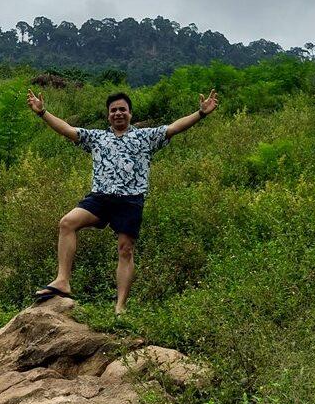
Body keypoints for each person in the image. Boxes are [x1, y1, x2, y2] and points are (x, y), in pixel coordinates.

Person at [26, 87, 218, 313]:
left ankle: (120, 307)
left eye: (122, 110)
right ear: (108, 115)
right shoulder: (97, 137)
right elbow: (67, 130)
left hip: (130, 201)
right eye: (114, 110)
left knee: (125, 250)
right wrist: (42, 112)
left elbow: (174, 127)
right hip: (100, 198)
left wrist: (201, 113)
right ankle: (62, 281)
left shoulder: (145, 137)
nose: (118, 113)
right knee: (67, 223)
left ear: (130, 114)